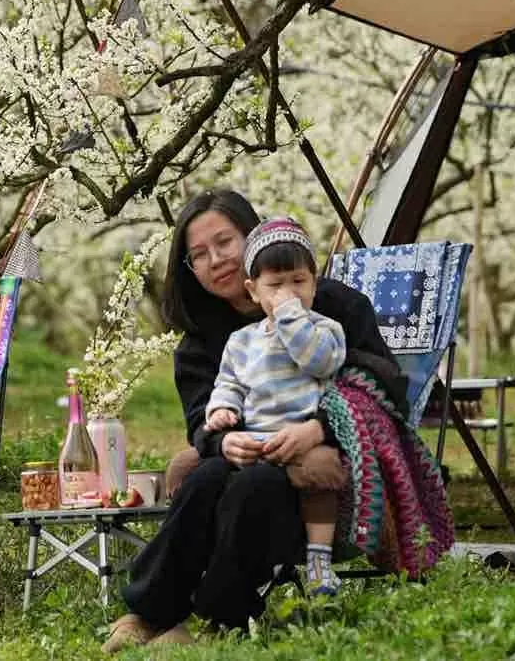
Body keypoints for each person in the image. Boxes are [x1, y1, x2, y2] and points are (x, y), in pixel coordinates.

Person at [104, 188, 403, 652]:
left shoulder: (330, 307)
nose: (217, 259)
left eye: (225, 241)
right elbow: (201, 422)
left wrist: (320, 427)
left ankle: (215, 616)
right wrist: (222, 441)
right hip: (249, 454)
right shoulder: (203, 342)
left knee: (254, 488)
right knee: (206, 476)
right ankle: (150, 610)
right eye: (198, 255)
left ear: (252, 233)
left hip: (323, 465)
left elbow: (383, 380)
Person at [200, 216, 347, 599]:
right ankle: (223, 568)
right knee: (226, 482)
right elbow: (228, 381)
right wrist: (221, 411)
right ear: (252, 290)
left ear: (315, 282)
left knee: (319, 479)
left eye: (299, 282)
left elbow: (320, 362)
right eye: (276, 285)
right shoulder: (242, 341)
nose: (289, 293)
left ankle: (319, 560)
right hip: (259, 438)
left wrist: (291, 318)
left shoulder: (324, 330)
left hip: (304, 435)